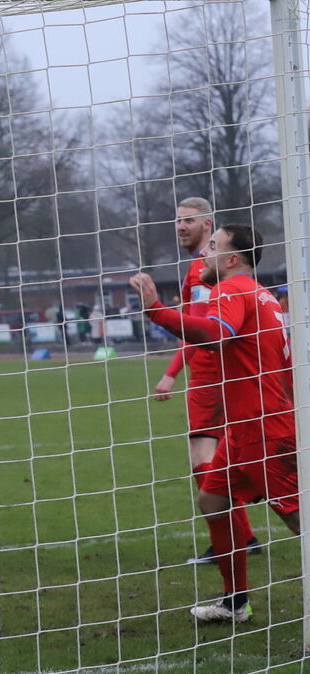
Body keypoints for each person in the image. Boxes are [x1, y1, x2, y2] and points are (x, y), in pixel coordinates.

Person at [131, 224, 299, 623]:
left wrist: (156, 310)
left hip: (262, 429)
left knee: (297, 518)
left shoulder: (232, 289)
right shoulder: (265, 297)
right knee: (212, 500)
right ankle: (235, 602)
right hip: (244, 428)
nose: (204, 254)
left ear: (231, 259)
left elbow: (213, 334)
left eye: (212, 246)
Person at [150, 197, 260, 565]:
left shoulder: (205, 270)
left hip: (211, 373)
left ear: (208, 224)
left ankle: (234, 538)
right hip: (211, 370)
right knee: (223, 454)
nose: (180, 227)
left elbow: (201, 330)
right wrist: (171, 373)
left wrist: (172, 373)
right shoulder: (198, 269)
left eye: (189, 221)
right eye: (177, 221)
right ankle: (243, 536)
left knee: (206, 457)